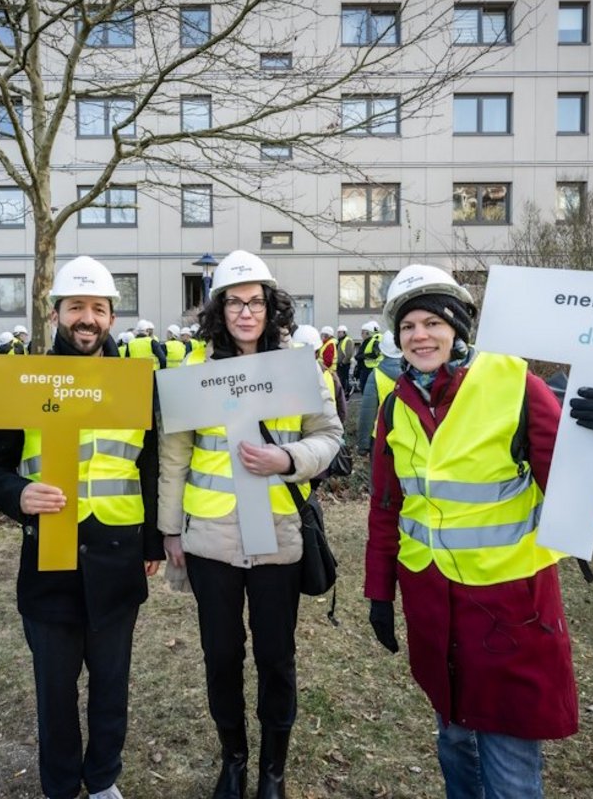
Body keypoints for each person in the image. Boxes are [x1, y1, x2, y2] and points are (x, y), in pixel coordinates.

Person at [364, 264, 593, 798]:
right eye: (408, 326)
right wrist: (379, 592)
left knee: (506, 758)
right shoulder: (397, 402)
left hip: (506, 608)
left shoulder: (514, 386)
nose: (420, 336)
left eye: (433, 322)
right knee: (454, 738)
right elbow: (388, 506)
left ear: (458, 327)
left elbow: (577, 496)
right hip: (433, 602)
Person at [0, 256, 163, 799]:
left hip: (118, 554)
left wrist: (151, 540)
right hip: (48, 559)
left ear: (112, 318)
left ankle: (102, 780)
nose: (87, 318)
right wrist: (18, 495)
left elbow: (148, 465)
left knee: (110, 686)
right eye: (76, 307)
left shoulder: (137, 382)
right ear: (56, 312)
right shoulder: (25, 382)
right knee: (54, 692)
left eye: (98, 309)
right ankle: (59, 786)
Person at [159, 249, 342, 799]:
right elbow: (175, 456)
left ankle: (273, 771)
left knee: (275, 656)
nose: (245, 312)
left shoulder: (298, 366)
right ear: (219, 309)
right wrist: (170, 529)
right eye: (234, 302)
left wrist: (288, 460)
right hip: (211, 538)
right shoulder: (192, 372)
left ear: (270, 307)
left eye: (255, 302)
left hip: (279, 539)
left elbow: (329, 436)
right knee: (221, 654)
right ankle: (234, 761)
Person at [356, 330, 403, 455]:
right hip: (409, 437)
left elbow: (368, 411)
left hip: (380, 436)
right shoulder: (417, 374)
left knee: (379, 474)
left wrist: (363, 444)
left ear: (382, 350)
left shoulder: (376, 375)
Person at [354, 321, 381, 396]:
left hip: (369, 369)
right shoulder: (373, 340)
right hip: (369, 369)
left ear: (368, 333)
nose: (361, 334)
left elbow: (375, 354)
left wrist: (360, 356)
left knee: (368, 391)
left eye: (363, 332)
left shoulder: (373, 340)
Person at [335, 324, 355, 394]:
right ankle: (343, 392)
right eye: (338, 332)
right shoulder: (340, 341)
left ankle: (346, 392)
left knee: (344, 379)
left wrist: (343, 363)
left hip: (344, 364)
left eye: (340, 332)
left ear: (344, 332)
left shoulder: (348, 340)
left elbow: (349, 354)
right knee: (341, 379)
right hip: (340, 364)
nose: (338, 334)